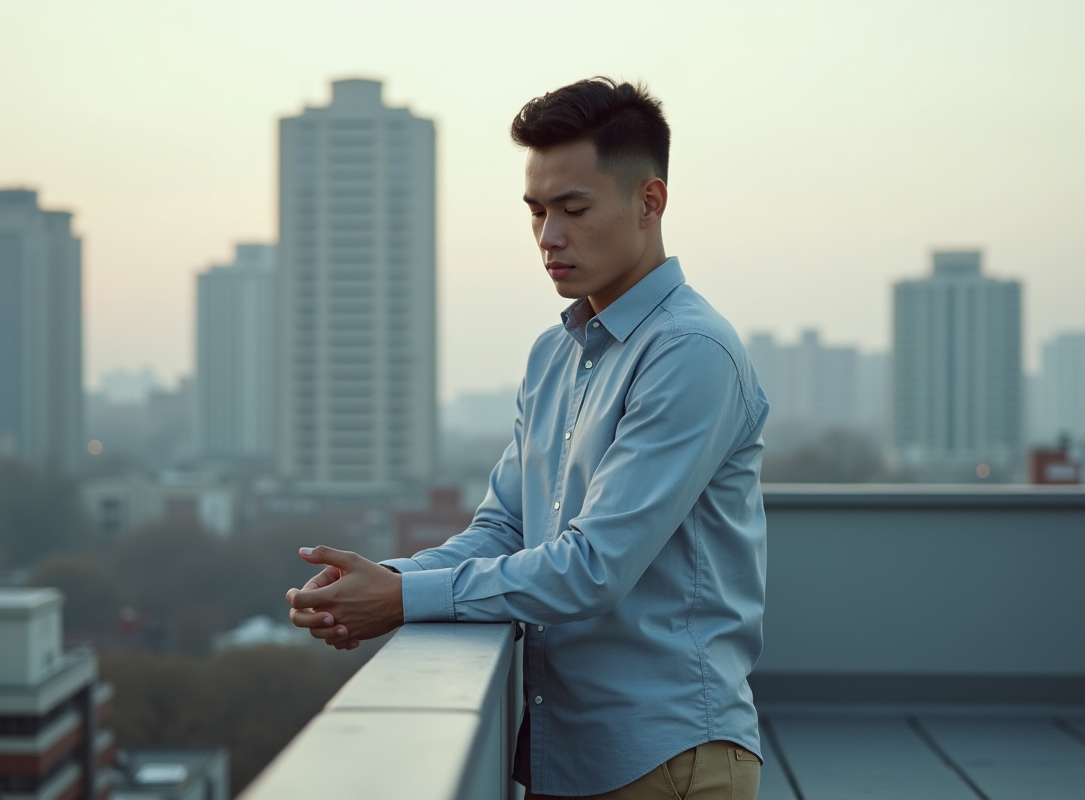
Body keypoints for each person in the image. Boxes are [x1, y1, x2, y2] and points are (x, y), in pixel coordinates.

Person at [287, 77, 769, 799]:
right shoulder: (556, 354)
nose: (549, 237)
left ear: (650, 202)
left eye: (573, 209)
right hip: (563, 756)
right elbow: (504, 529)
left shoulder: (691, 352)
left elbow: (593, 566)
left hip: (667, 760)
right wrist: (381, 585)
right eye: (537, 212)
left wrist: (402, 601)